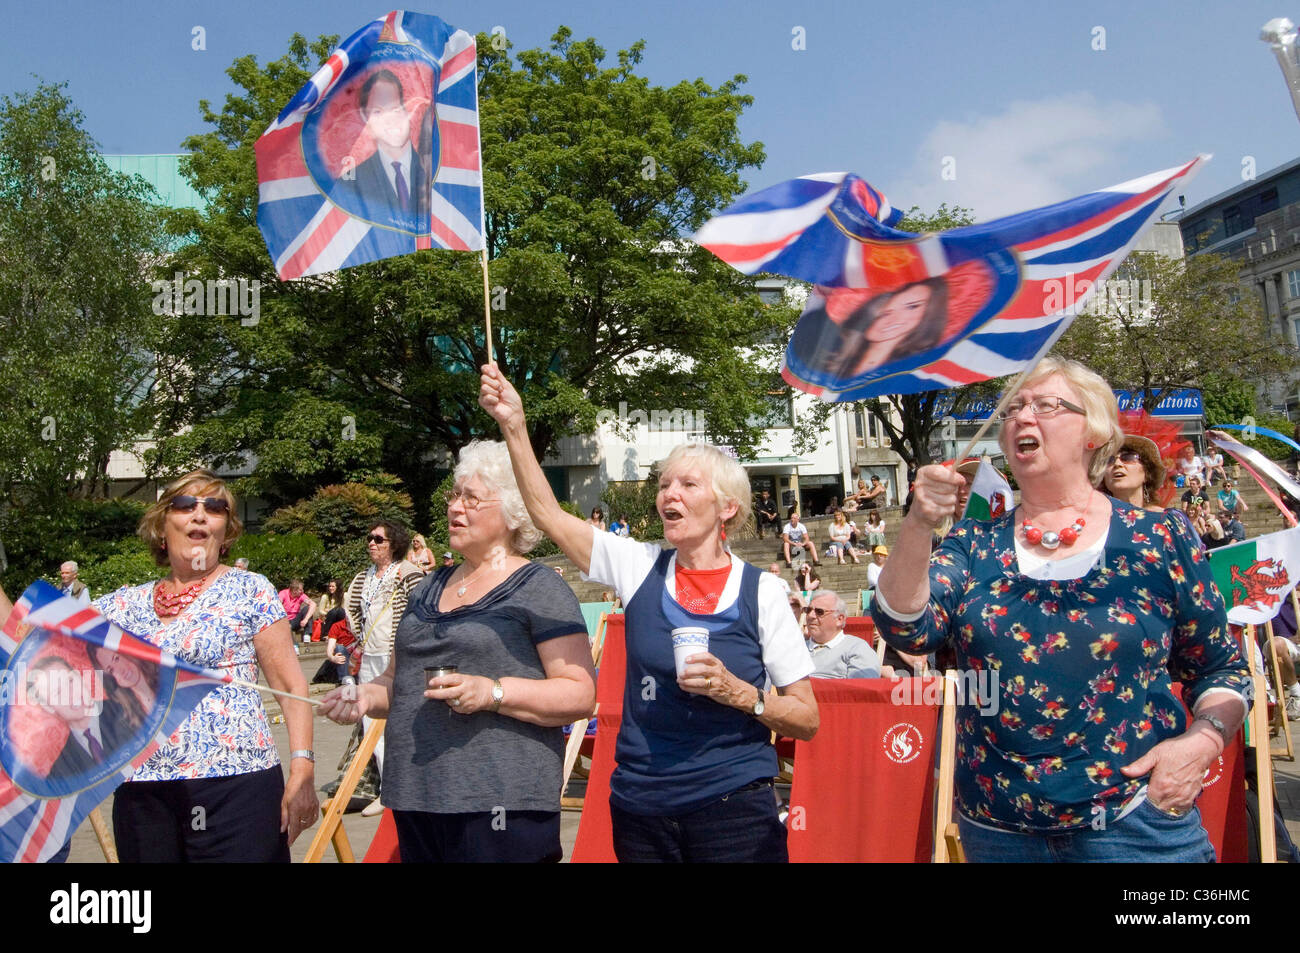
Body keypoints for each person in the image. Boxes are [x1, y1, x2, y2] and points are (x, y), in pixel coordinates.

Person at [873, 357, 1250, 862]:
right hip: (998, 831)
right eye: (1014, 409)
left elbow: (1223, 668)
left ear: (1093, 433)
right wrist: (919, 524)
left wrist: (1202, 742)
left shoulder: (1159, 538)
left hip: (1135, 823)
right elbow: (906, 629)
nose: (1023, 417)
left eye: (1046, 405)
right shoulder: (972, 543)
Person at [479, 363, 817, 862]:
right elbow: (548, 516)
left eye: (687, 485)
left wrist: (744, 695)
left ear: (726, 508)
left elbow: (807, 718)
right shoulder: (638, 567)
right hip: (641, 807)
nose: (668, 494)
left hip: (734, 808)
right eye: (664, 485)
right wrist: (514, 424)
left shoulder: (762, 591)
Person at [320, 441, 597, 862]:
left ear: (512, 513)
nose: (455, 507)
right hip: (418, 795)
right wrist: (361, 697)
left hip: (502, 801)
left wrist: (493, 693)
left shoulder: (540, 588)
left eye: (471, 498)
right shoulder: (427, 587)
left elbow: (579, 695)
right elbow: (397, 683)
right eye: (454, 495)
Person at [36, 469, 316, 861]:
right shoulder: (120, 606)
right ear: (162, 527)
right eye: (185, 504)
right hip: (143, 792)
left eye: (215, 507)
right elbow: (34, 643)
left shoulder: (250, 589)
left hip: (236, 786)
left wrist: (302, 766)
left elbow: (291, 686)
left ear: (227, 532)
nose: (200, 514)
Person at [344, 520, 424, 815]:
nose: (372, 543)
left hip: (397, 654)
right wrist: (358, 641)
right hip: (370, 654)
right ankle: (387, 788)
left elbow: (420, 609)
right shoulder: (362, 577)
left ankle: (408, 783)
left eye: (378, 539)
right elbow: (351, 609)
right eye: (369, 538)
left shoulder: (407, 573)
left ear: (394, 544)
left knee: (401, 719)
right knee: (371, 723)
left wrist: (403, 643)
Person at [792, 278, 950, 384]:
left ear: (930, 315)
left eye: (912, 306)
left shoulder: (917, 367)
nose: (892, 319)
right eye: (886, 311)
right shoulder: (826, 361)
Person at [333, 68, 431, 229]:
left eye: (396, 108)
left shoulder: (434, 172)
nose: (390, 119)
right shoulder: (351, 185)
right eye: (378, 111)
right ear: (365, 117)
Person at [804, 591, 880, 679]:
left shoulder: (857, 648)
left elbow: (862, 689)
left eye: (819, 612)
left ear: (839, 619)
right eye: (808, 610)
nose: (810, 616)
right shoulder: (796, 648)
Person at [90, 644, 159, 734]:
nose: (121, 670)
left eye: (116, 658)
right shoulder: (126, 725)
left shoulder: (166, 675)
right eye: (111, 670)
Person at [1101, 435, 1167, 513]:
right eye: (1109, 460)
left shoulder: (1166, 519)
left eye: (1128, 457)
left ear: (1147, 473)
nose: (1117, 464)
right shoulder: (1091, 520)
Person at [278, 578, 316, 644]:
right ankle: (293, 645)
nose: (302, 591)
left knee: (307, 608)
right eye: (300, 590)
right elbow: (277, 605)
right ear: (294, 590)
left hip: (296, 620)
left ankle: (307, 634)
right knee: (287, 625)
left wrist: (306, 619)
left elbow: (313, 604)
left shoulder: (301, 595)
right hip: (285, 620)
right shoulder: (283, 593)